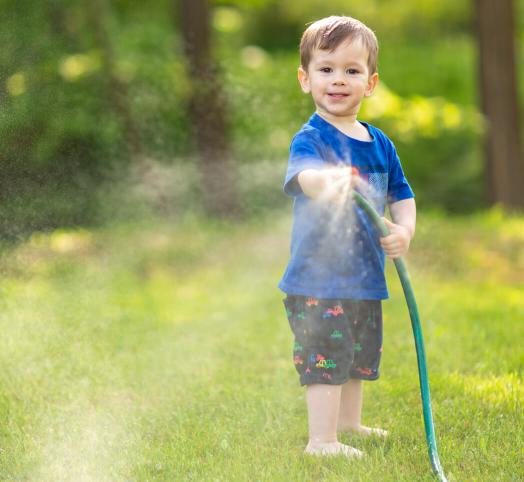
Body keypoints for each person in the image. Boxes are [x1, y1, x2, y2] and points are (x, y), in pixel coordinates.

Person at [279, 16, 416, 458]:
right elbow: (304, 178)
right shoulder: (312, 137)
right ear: (305, 79)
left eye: (352, 71)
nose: (338, 80)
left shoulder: (381, 144)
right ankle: (321, 441)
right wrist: (327, 181)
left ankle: (349, 424)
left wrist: (404, 230)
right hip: (318, 281)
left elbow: (402, 195)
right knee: (326, 356)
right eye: (326, 69)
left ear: (370, 82)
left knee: (358, 354)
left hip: (365, 278)